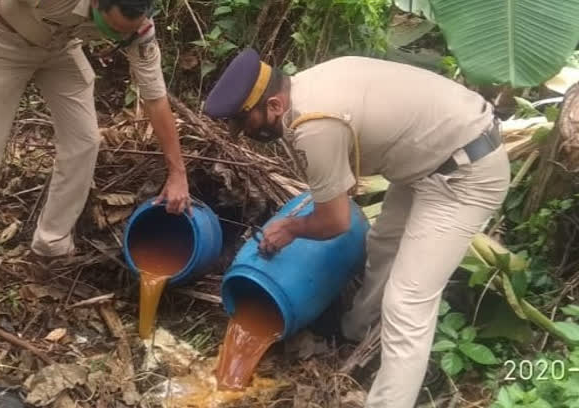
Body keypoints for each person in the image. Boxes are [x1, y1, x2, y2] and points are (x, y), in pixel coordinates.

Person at [202, 49, 510, 408]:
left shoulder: (315, 124)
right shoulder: (310, 84)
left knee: (407, 303)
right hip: (431, 161)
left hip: (465, 175)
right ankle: (356, 330)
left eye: (247, 122)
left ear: (273, 104)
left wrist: (290, 228)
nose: (246, 133)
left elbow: (335, 221)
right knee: (382, 244)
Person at [0, 0, 191, 304]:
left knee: (85, 141)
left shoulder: (138, 29)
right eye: (113, 29)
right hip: (6, 40)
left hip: (61, 48)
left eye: (128, 32)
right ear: (95, 1)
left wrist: (177, 172)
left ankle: (51, 242)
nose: (119, 38)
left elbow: (154, 97)